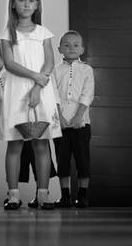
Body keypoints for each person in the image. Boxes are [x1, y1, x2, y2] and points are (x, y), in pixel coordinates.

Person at [0, 0, 62, 210]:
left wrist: (37, 87)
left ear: (37, 4)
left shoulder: (43, 32)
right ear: (13, 4)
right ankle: (13, 194)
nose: (26, 4)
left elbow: (50, 61)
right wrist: (35, 77)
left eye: (31, 0)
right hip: (17, 92)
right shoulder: (7, 33)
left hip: (41, 91)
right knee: (15, 144)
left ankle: (43, 194)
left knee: (42, 144)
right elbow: (9, 63)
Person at [0, 37, 57, 209]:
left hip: (30, 115)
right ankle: (13, 195)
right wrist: (5, 119)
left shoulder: (13, 72)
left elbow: (28, 89)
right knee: (14, 150)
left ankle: (43, 194)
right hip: (12, 120)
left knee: (40, 149)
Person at [52, 30, 95, 208]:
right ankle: (65, 196)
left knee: (82, 159)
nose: (71, 48)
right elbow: (52, 94)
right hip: (59, 123)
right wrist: (60, 117)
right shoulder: (54, 70)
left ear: (82, 49)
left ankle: (82, 195)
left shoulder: (86, 69)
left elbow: (88, 93)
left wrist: (79, 116)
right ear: (59, 48)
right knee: (62, 160)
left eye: (76, 45)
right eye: (67, 45)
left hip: (81, 123)